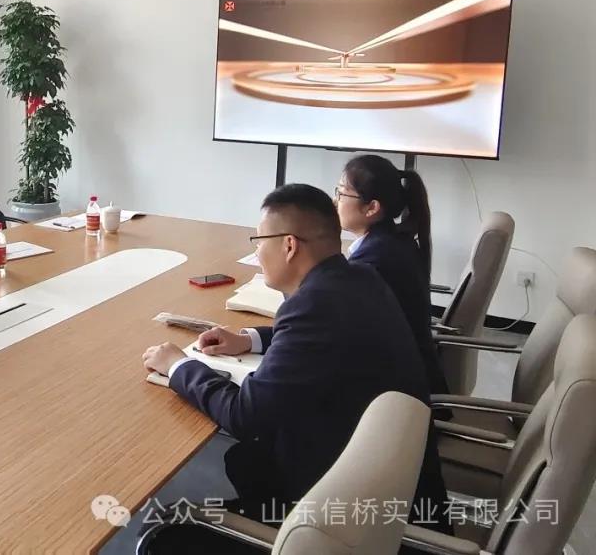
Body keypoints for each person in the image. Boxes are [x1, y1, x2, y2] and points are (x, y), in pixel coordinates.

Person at [141, 184, 449, 545]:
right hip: (387, 482)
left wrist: (178, 366)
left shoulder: (313, 307)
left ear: (289, 245)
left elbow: (244, 415)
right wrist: (249, 339)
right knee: (248, 459)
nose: (257, 251)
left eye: (259, 241)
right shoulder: (359, 278)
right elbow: (325, 334)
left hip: (335, 520)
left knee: (163, 534)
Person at [335, 154, 449, 396]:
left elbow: (331, 325)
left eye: (342, 193)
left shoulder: (374, 261)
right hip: (409, 378)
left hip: (394, 395)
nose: (336, 201)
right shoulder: (394, 242)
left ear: (372, 208)